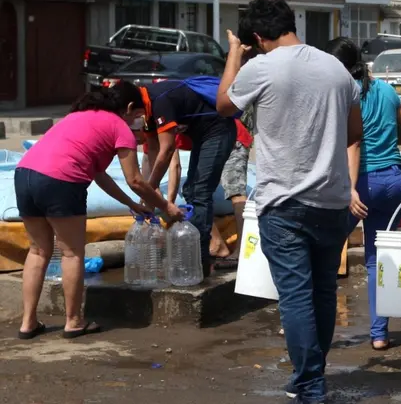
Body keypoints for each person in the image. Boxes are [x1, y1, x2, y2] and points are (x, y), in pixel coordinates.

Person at [216, 0, 362, 404]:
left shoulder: (262, 67)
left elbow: (224, 104)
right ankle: (311, 379)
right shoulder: (337, 69)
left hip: (284, 202)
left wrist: (233, 55)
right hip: (333, 202)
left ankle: (311, 391)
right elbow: (354, 131)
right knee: (322, 291)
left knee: (296, 298)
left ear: (259, 38)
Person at [14, 82, 185, 340]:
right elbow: (136, 179)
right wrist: (166, 207)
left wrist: (131, 203)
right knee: (72, 253)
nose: (140, 120)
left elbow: (99, 174)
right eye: (139, 114)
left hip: (24, 174)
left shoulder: (77, 116)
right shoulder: (120, 128)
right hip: (60, 180)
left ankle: (28, 323)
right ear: (128, 107)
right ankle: (73, 321)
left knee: (38, 251)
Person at [328, 37, 401, 351]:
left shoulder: (342, 93)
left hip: (360, 184)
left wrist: (348, 187)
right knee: (377, 260)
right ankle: (379, 334)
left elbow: (347, 142)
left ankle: (309, 323)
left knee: (324, 251)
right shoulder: (387, 90)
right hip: (393, 182)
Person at [140, 73, 237, 277]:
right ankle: (197, 254)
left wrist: (156, 195)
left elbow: (168, 155)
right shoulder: (147, 111)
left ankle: (199, 263)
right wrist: (148, 195)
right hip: (202, 133)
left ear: (131, 107)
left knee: (199, 191)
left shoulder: (159, 100)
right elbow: (152, 152)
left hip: (218, 129)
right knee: (191, 190)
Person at [214, 107, 256, 269]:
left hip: (233, 139)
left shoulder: (163, 116)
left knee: (236, 191)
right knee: (196, 189)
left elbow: (173, 162)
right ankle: (216, 244)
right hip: (218, 137)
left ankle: (242, 250)